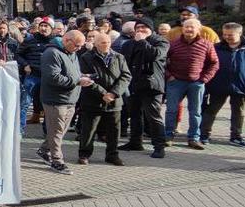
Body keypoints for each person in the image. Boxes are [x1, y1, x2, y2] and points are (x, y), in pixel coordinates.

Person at [201, 22, 245, 147]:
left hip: (243, 87)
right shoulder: (216, 47)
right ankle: (204, 135)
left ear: (240, 33)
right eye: (225, 34)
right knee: (211, 110)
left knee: (238, 112)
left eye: (230, 35)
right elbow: (207, 64)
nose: (227, 37)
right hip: (218, 85)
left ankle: (236, 136)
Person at [37, 30, 90, 175]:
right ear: (67, 40)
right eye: (77, 46)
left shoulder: (72, 52)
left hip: (70, 99)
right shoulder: (52, 53)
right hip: (55, 100)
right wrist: (78, 81)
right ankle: (57, 161)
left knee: (59, 131)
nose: (79, 49)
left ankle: (44, 150)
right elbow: (53, 77)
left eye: (81, 46)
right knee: (56, 131)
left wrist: (82, 76)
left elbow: (73, 73)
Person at [76, 31, 130, 166]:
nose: (106, 45)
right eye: (102, 42)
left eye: (108, 42)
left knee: (114, 130)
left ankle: (112, 155)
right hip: (92, 100)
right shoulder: (86, 57)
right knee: (89, 129)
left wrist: (113, 93)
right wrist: (103, 93)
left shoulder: (119, 57)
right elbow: (86, 78)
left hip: (114, 100)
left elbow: (126, 76)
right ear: (95, 44)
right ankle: (84, 154)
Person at [164, 18, 219, 150]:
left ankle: (193, 138)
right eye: (186, 27)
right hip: (176, 82)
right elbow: (162, 61)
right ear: (182, 28)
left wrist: (204, 79)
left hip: (196, 83)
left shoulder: (206, 44)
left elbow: (214, 63)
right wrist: (169, 76)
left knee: (195, 112)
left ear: (199, 29)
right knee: (171, 111)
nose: (189, 29)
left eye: (192, 27)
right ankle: (168, 136)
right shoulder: (173, 44)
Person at [120, 18, 170, 159]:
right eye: (138, 28)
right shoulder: (129, 44)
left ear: (151, 29)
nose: (140, 30)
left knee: (153, 116)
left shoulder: (161, 41)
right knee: (134, 114)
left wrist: (142, 41)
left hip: (151, 85)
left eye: (144, 27)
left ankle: (159, 146)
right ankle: (135, 142)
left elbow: (154, 55)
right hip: (133, 84)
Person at [16, 18, 58, 129]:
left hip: (48, 77)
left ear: (51, 28)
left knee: (48, 106)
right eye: (41, 26)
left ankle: (47, 131)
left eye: (46, 26)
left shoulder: (56, 42)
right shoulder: (30, 39)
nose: (43, 28)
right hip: (32, 76)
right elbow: (18, 55)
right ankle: (20, 129)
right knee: (24, 103)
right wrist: (25, 65)